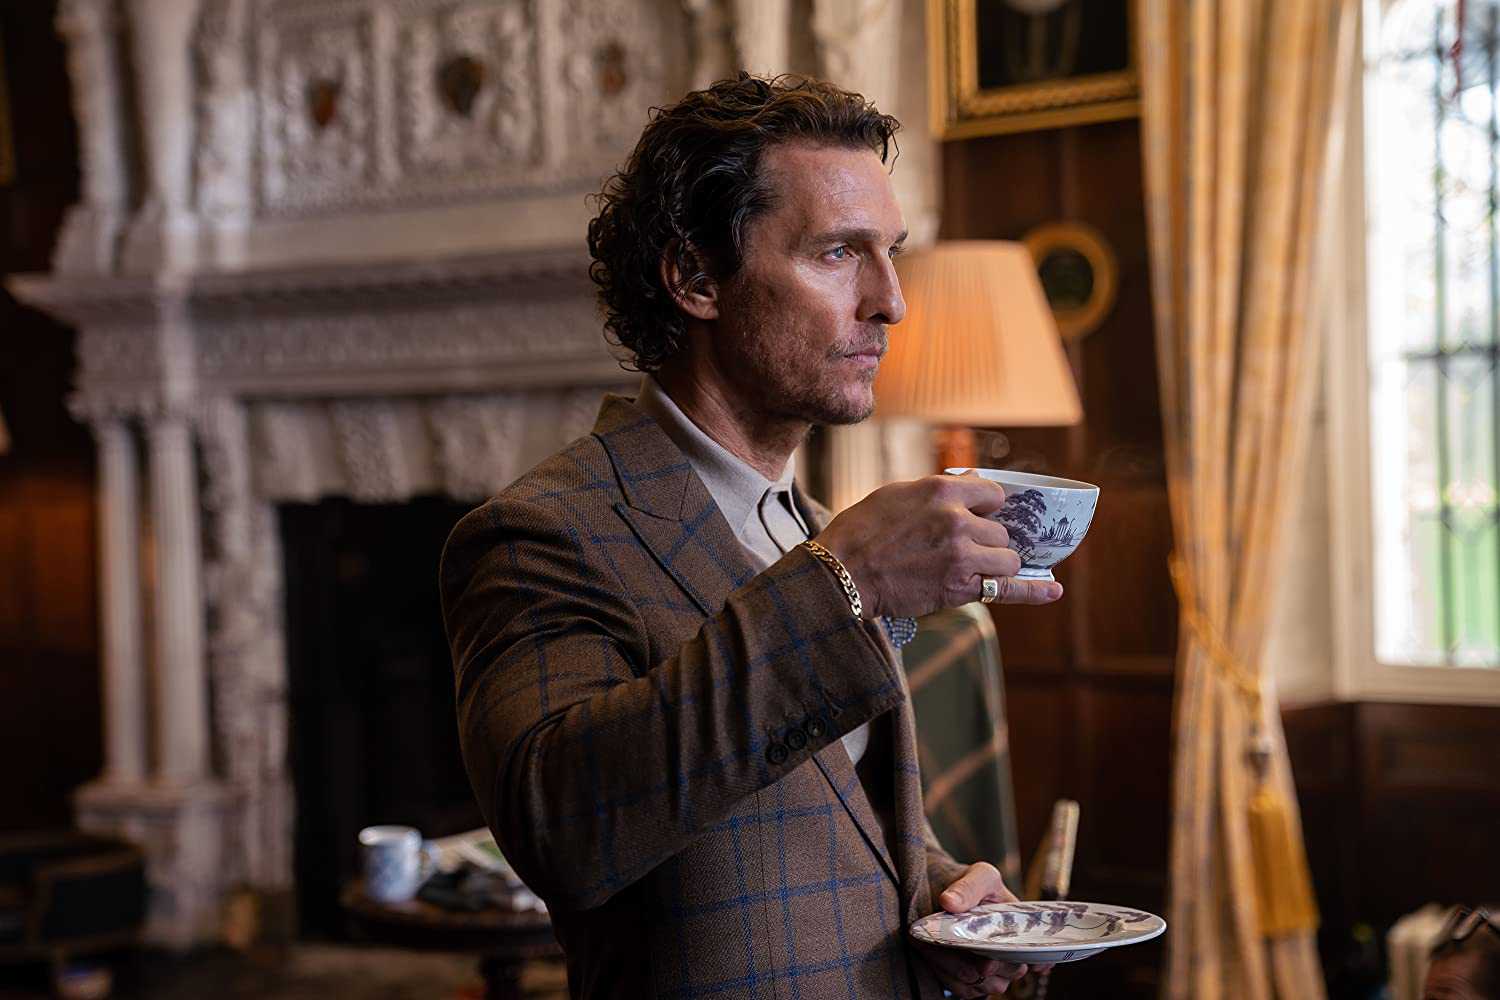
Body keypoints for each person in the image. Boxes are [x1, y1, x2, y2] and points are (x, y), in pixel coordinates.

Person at [440, 72, 1063, 999]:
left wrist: (937, 893)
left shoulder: (807, 526)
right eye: (838, 252)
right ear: (696, 278)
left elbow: (825, 817)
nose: (891, 301)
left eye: (889, 252)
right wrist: (847, 579)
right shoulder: (542, 534)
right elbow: (563, 829)